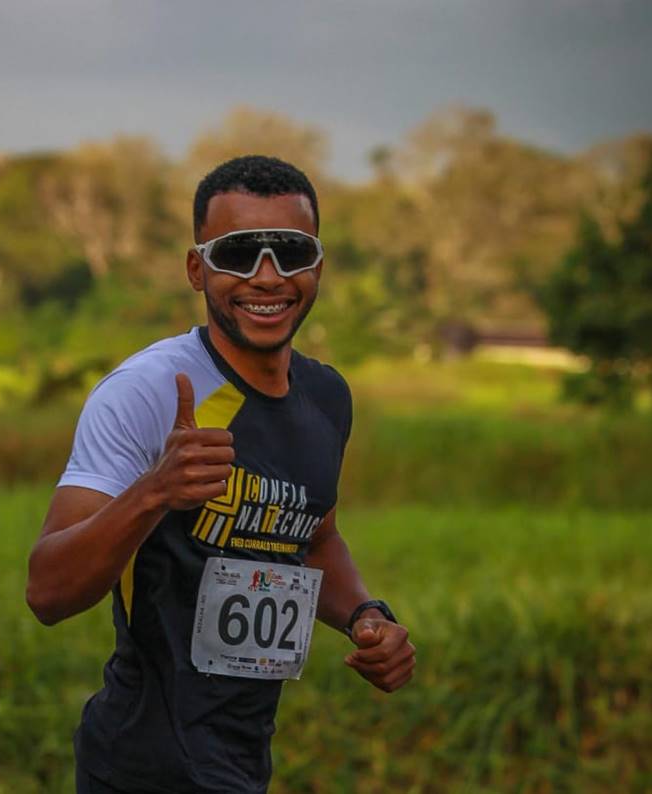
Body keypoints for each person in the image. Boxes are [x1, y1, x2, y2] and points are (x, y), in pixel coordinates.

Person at [26, 155, 415, 793]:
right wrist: (155, 492)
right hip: (141, 766)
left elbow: (314, 536)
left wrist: (365, 616)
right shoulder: (147, 391)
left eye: (290, 252)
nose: (267, 277)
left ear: (317, 268)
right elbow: (47, 593)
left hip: (240, 763)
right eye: (237, 254)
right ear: (196, 268)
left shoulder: (327, 398)